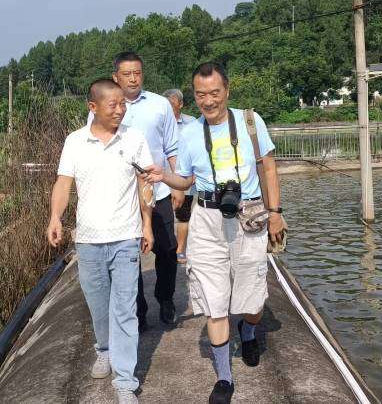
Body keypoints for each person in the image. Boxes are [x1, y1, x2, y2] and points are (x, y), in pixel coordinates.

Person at [144, 62, 285, 404]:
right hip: (206, 219)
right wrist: (162, 176)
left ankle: (248, 329)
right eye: (200, 94)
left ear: (227, 90)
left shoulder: (250, 122)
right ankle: (224, 378)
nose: (207, 101)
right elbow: (187, 181)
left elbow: (268, 166)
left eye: (214, 93)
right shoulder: (190, 133)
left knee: (253, 297)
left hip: (249, 215)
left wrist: (276, 213)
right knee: (214, 301)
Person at [47, 79, 154, 404]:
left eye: (123, 104)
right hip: (89, 240)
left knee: (125, 309)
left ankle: (125, 382)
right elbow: (64, 183)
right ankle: (104, 349)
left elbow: (144, 184)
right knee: (98, 306)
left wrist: (147, 224)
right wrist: (55, 217)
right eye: (113, 105)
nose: (120, 110)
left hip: (125, 237)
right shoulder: (75, 142)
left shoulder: (133, 139)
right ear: (93, 107)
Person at [89, 52, 182, 329]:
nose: (133, 78)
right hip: (124, 198)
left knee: (167, 249)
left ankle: (165, 298)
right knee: (131, 254)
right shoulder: (102, 107)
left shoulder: (160, 105)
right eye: (127, 74)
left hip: (160, 190)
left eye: (137, 73)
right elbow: (94, 146)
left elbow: (172, 147)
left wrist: (177, 184)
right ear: (115, 76)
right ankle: (139, 312)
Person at [162, 89, 196, 264]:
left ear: (180, 104)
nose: (169, 109)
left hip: (184, 177)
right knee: (164, 215)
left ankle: (180, 249)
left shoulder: (192, 123)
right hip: (162, 178)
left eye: (172, 105)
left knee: (183, 215)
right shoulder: (158, 123)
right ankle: (165, 248)